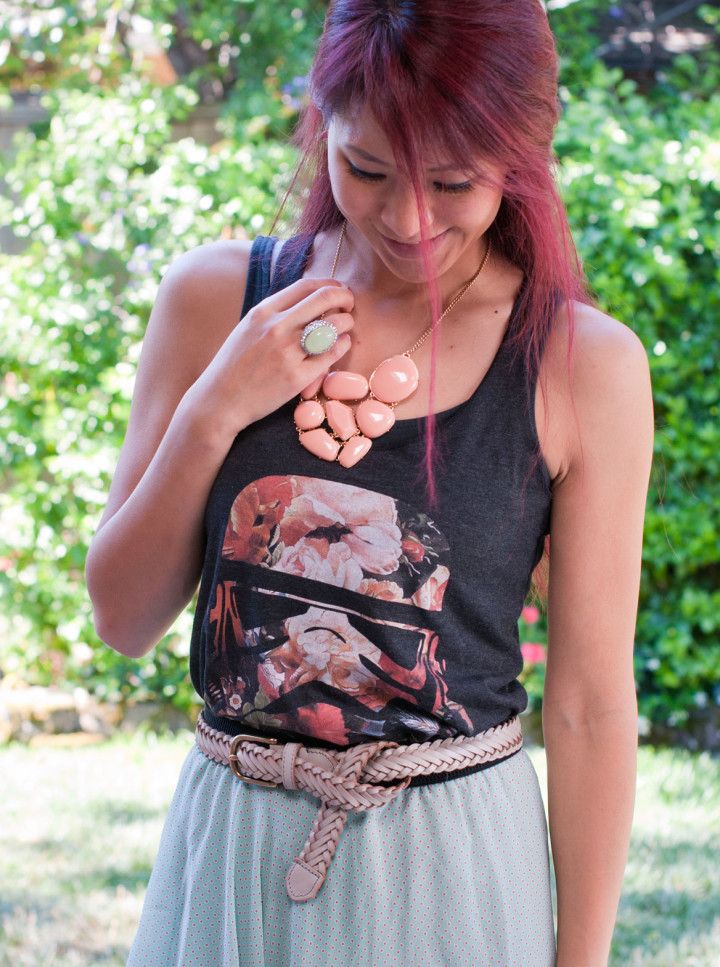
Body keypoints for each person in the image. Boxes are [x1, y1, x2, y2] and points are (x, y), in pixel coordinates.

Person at [85, 1, 654, 965]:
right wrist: (218, 405)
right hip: (230, 851)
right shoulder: (214, 300)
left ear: (521, 156)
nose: (405, 217)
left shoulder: (580, 364)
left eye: (452, 182)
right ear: (323, 122)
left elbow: (593, 701)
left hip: (453, 864)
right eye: (367, 169)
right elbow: (123, 618)